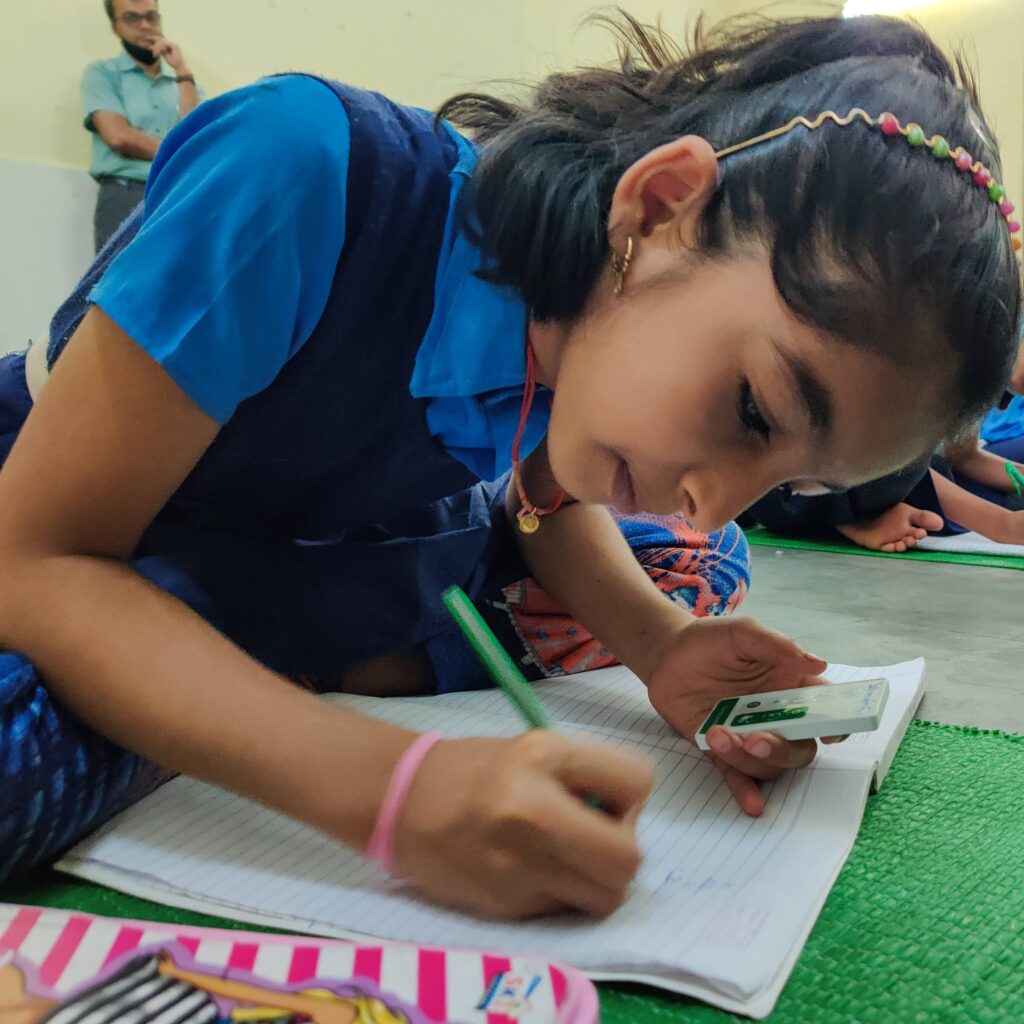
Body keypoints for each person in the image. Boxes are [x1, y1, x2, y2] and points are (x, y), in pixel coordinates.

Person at [0, 13, 1019, 920]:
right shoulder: (302, 169)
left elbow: (532, 495)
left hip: (340, 542)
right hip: (95, 535)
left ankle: (252, 662)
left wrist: (660, 648)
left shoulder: (586, 333)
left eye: (791, 481)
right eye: (753, 410)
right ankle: (270, 664)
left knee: (704, 572)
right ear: (660, 205)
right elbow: (33, 558)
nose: (717, 501)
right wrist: (387, 789)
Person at [81, 0, 203, 252]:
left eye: (151, 17)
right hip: (125, 194)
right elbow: (118, 137)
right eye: (132, 18)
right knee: (114, 286)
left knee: (175, 286)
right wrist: (179, 152)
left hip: (177, 195)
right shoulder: (103, 73)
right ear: (115, 28)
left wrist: (181, 70)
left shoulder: (185, 84)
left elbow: (196, 137)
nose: (145, 25)